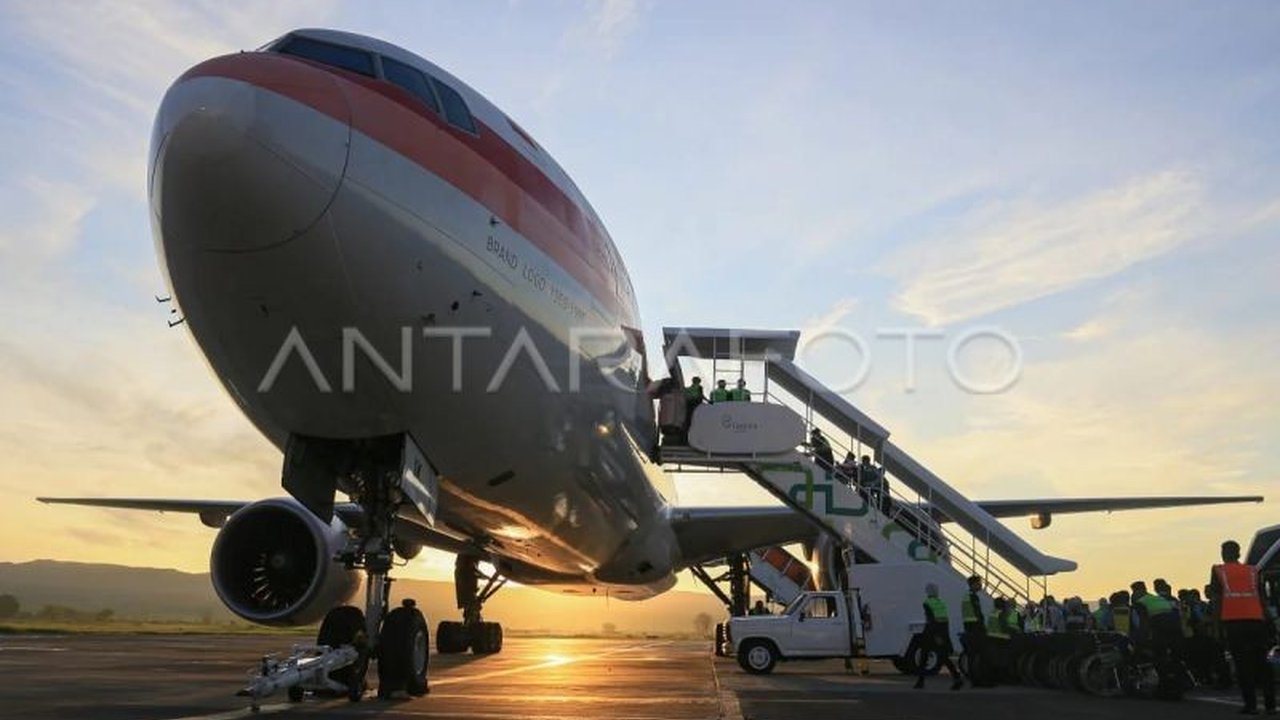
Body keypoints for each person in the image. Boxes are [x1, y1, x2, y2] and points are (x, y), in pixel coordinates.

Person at [1209, 539, 1275, 715]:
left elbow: (1217, 601)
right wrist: (1269, 621)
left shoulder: (1219, 571)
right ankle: (1270, 705)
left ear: (1223, 554)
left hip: (1233, 622)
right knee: (1262, 663)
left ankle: (1251, 705)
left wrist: (1216, 628)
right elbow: (1262, 598)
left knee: (1243, 664)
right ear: (1239, 553)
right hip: (1256, 620)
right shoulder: (1252, 571)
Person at [915, 583, 964, 690]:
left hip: (931, 632)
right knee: (944, 657)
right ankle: (956, 677)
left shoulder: (927, 603)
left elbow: (931, 620)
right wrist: (945, 638)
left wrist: (935, 635)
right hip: (942, 632)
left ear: (927, 592)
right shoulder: (941, 603)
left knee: (924, 657)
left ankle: (920, 681)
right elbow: (945, 621)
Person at [960, 575, 992, 687]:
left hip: (969, 628)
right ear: (973, 584)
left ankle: (974, 680)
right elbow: (978, 614)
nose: (981, 585)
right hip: (976, 629)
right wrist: (983, 628)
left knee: (972, 656)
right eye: (979, 583)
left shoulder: (966, 596)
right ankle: (981, 680)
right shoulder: (973, 597)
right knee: (983, 655)